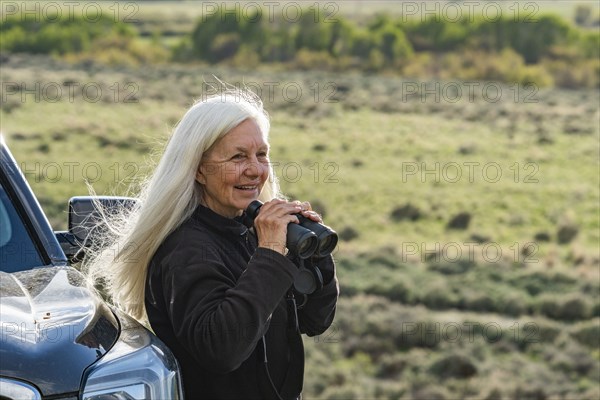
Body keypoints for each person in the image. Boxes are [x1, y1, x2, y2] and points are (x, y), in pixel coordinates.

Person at [84, 88, 339, 399]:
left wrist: (313, 257)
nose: (255, 170)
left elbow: (315, 320)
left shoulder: (249, 231)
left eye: (261, 154)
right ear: (199, 169)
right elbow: (222, 349)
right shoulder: (186, 248)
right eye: (238, 156)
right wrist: (270, 253)